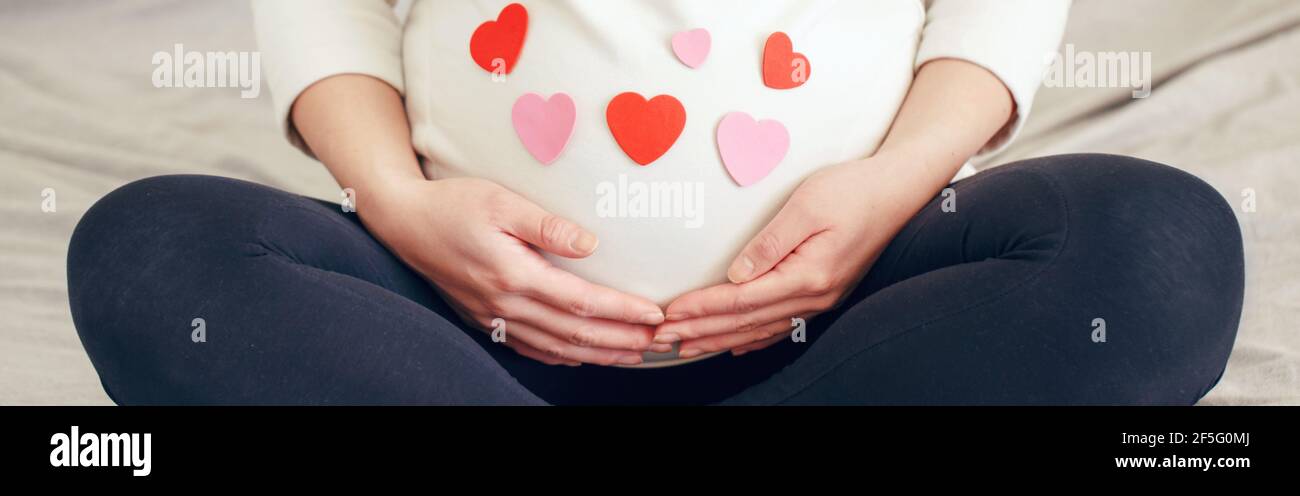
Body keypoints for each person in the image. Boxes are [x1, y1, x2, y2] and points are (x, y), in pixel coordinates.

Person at [67, 0, 1243, 404]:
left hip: (851, 320)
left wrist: (891, 188)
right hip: (451, 329)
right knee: (150, 252)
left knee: (1160, 250)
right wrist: (392, 201)